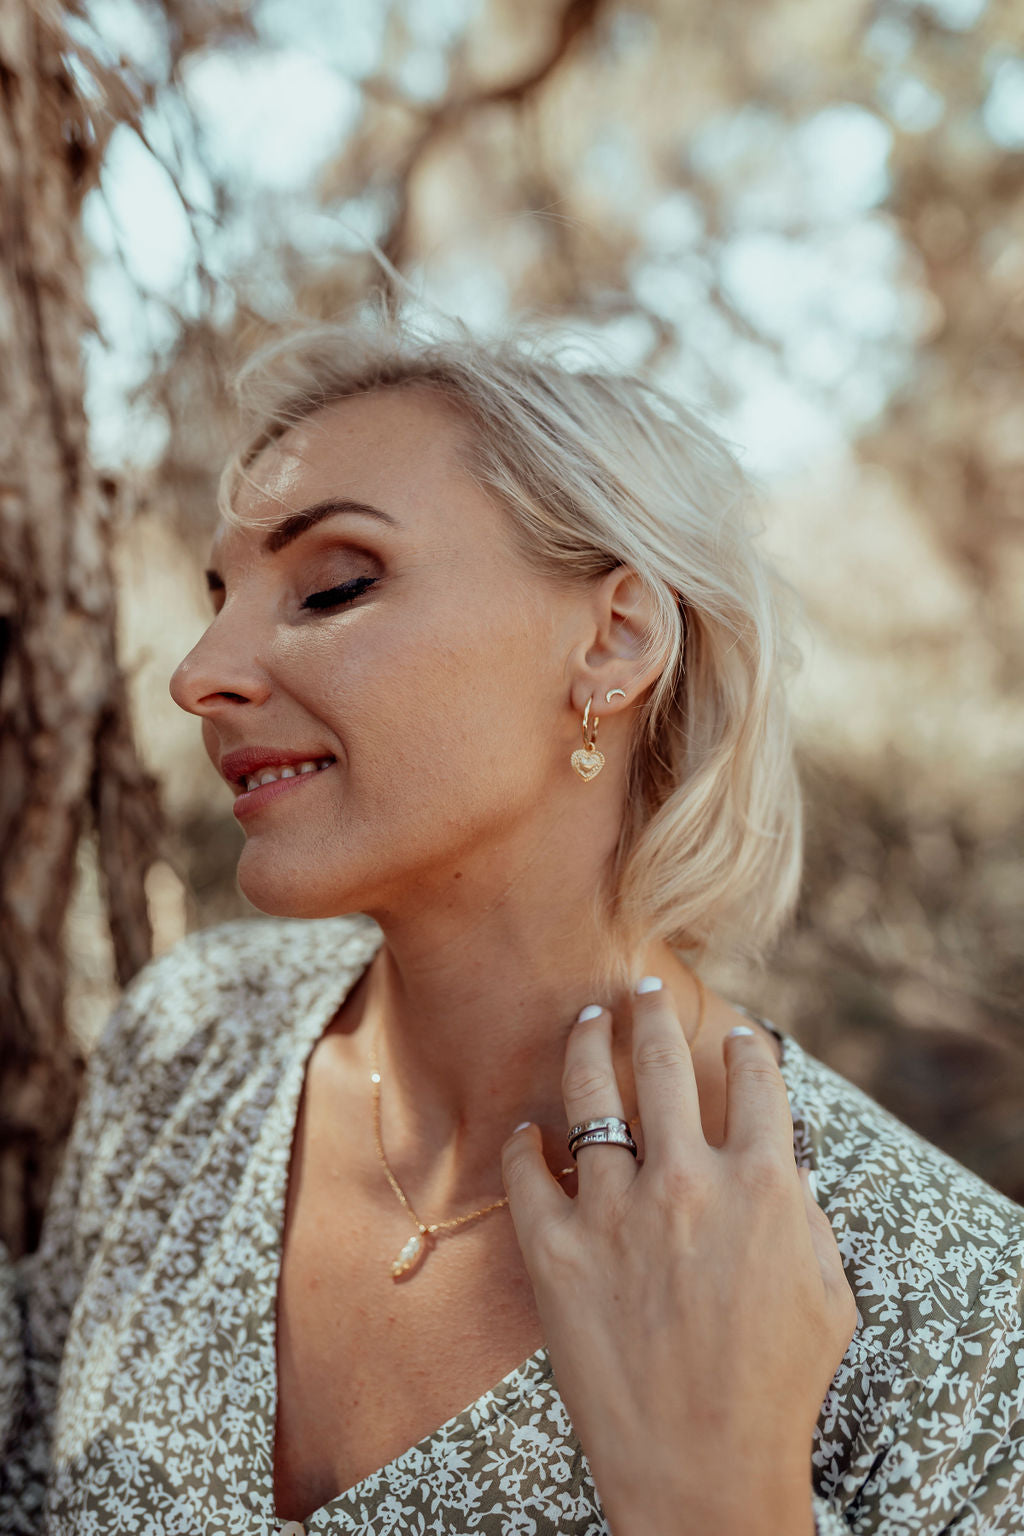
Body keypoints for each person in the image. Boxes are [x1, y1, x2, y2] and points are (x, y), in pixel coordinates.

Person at [2, 308, 1023, 1536]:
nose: (199, 670)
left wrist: (716, 1506)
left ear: (614, 639)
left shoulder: (953, 1310)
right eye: (220, 595)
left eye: (330, 586)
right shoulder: (191, 1040)